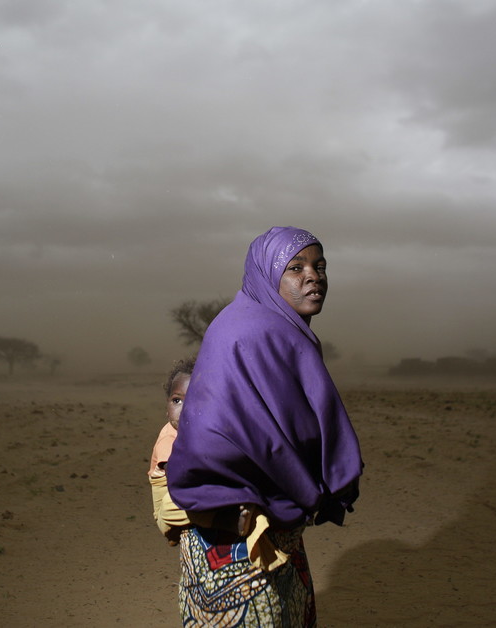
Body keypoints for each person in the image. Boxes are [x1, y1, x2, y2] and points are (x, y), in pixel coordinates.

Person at [167, 226, 363, 627]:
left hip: (269, 523)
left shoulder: (275, 327)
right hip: (240, 531)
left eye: (320, 266)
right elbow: (225, 432)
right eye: (295, 267)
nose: (314, 276)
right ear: (266, 275)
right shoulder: (253, 331)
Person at [147, 357, 195, 545]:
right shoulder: (169, 437)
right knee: (178, 503)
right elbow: (177, 475)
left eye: (194, 400)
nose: (184, 409)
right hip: (169, 509)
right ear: (167, 409)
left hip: (187, 496)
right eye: (177, 401)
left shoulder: (197, 433)